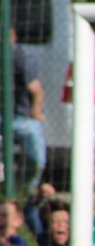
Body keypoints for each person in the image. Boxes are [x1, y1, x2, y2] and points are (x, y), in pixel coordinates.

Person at [9, 26, 47, 193]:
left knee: (37, 159)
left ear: (13, 35)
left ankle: (29, 191)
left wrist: (36, 111)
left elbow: (36, 89)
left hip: (21, 118)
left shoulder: (21, 57)